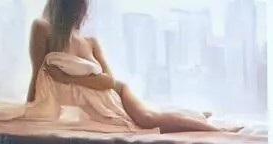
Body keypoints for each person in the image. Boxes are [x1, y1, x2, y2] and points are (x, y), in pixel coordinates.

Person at [24, 0, 232, 133]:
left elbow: (109, 81)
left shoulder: (90, 42)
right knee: (152, 114)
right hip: (98, 102)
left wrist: (68, 78)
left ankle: (216, 131)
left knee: (148, 119)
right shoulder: (42, 28)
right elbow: (38, 73)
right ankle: (195, 115)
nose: (83, 10)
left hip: (117, 92)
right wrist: (30, 109)